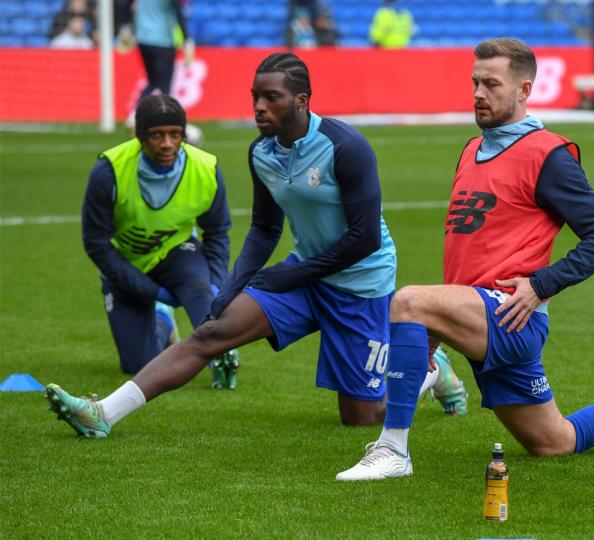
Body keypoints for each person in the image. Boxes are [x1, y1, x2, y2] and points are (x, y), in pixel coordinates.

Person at [336, 38, 594, 482]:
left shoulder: (549, 155)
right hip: (482, 314)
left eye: (492, 84)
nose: (479, 93)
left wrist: (542, 284)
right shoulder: (471, 149)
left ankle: (393, 450)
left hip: (509, 313)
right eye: (475, 83)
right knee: (553, 441)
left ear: (524, 90)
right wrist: (436, 328)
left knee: (407, 301)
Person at [46, 52, 466, 440]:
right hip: (304, 274)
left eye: (272, 97)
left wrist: (291, 273)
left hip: (361, 283)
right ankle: (102, 413)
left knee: (361, 416)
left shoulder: (347, 147)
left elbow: (365, 239)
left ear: (301, 100)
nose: (259, 107)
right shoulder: (261, 152)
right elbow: (265, 228)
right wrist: (228, 288)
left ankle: (430, 373)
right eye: (255, 97)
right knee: (210, 334)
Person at [79, 94, 235, 385]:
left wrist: (217, 282)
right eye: (156, 135)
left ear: (184, 135)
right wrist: (153, 292)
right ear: (140, 136)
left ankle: (222, 354)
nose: (166, 144)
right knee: (138, 366)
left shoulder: (206, 169)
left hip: (177, 252)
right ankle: (163, 319)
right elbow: (95, 243)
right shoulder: (108, 171)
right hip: (125, 263)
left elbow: (217, 233)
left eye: (175, 134)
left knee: (202, 291)